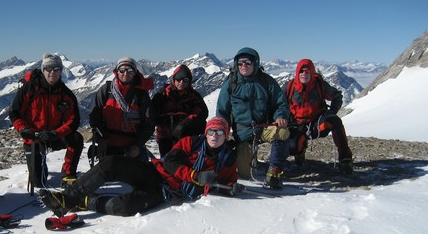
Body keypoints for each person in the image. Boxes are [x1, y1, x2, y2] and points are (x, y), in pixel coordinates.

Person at [40, 117, 238, 217]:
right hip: (153, 172)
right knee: (111, 163)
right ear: (206, 132)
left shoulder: (226, 159)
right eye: (211, 131)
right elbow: (170, 162)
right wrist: (195, 176)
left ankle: (86, 201)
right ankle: (67, 198)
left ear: (226, 135)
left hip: (164, 193)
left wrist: (232, 189)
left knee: (125, 206)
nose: (214, 135)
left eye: (220, 132)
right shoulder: (190, 142)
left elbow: (227, 183)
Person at [216, 47, 290, 188]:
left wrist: (280, 116)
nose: (244, 65)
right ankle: (240, 156)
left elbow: (280, 103)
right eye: (240, 62)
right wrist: (221, 132)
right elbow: (222, 112)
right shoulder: (231, 84)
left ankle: (274, 170)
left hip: (263, 127)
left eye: (248, 62)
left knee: (282, 132)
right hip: (243, 132)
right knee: (244, 174)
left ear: (255, 63)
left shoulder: (267, 81)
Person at [9, 53, 83, 189]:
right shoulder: (29, 89)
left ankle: (68, 174)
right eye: (49, 69)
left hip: (54, 135)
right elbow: (14, 113)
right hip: (34, 137)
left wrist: (55, 133)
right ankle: (39, 166)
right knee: (38, 183)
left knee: (76, 138)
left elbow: (73, 121)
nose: (52, 72)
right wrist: (23, 129)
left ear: (61, 71)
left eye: (56, 69)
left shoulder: (65, 94)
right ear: (43, 70)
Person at [284, 58, 354, 173]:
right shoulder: (289, 87)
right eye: (301, 71)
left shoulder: (319, 85)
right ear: (297, 72)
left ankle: (345, 158)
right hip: (296, 125)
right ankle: (300, 150)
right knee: (292, 147)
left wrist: (332, 112)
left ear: (312, 72)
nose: (304, 74)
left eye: (307, 71)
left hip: (316, 124)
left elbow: (337, 96)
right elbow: (279, 103)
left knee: (335, 121)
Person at [88, 57, 154, 163]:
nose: (125, 73)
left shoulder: (141, 95)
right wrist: (101, 140)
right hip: (108, 142)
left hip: (132, 144)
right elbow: (94, 118)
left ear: (135, 73)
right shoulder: (106, 90)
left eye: (130, 70)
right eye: (122, 70)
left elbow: (149, 124)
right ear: (117, 72)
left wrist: (137, 145)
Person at [151, 64, 209, 157]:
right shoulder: (162, 95)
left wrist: (185, 123)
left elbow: (203, 113)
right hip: (165, 136)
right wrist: (163, 122)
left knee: (185, 160)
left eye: (185, 80)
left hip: (186, 136)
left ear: (189, 81)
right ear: (174, 80)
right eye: (179, 79)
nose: (181, 82)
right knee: (167, 161)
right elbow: (151, 113)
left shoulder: (194, 97)